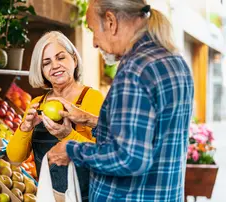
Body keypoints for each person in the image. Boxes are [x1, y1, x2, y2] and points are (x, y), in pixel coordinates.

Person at [47, 0, 195, 201]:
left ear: (110, 21)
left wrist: (70, 149)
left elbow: (129, 158)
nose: (94, 43)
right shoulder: (175, 61)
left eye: (93, 31)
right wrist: (89, 119)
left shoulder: (135, 70)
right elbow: (147, 134)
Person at [6, 31, 104, 201]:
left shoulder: (92, 98)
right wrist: (25, 128)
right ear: (41, 70)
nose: (55, 66)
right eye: (47, 63)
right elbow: (15, 157)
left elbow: (104, 156)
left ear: (74, 59)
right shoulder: (38, 103)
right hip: (49, 196)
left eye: (61, 57)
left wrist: (68, 136)